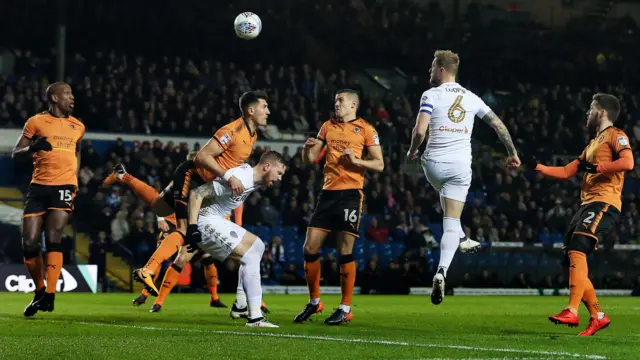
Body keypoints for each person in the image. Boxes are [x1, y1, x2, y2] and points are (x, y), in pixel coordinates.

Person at [129, 91, 268, 302]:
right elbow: (202, 156)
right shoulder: (231, 130)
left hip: (205, 186)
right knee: (183, 228)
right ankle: (147, 270)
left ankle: (127, 181)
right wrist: (227, 176)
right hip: (191, 178)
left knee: (161, 210)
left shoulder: (252, 136)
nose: (268, 111)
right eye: (264, 107)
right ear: (251, 110)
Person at [406, 50, 520, 305]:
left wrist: (413, 151)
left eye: (433, 66)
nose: (429, 71)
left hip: (434, 165)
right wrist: (512, 152)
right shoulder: (471, 97)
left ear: (442, 69)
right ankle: (443, 269)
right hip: (460, 167)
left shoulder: (431, 95)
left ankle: (461, 237)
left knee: (445, 203)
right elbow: (499, 125)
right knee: (450, 218)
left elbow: (420, 130)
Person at [536, 93, 633, 336]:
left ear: (602, 112)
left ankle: (571, 309)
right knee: (571, 259)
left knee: (578, 248)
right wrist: (537, 168)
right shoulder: (592, 143)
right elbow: (569, 170)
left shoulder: (616, 135)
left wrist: (598, 168)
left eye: (591, 108)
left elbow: (628, 162)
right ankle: (598, 315)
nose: (587, 113)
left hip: (604, 202)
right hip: (586, 205)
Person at [295, 89, 384, 325]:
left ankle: (345, 308)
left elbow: (379, 164)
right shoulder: (327, 126)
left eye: (341, 101)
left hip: (351, 194)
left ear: (353, 103)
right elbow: (310, 159)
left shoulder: (366, 129)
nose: (337, 104)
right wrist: (306, 149)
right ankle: (315, 303)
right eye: (335, 100)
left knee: (344, 251)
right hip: (327, 194)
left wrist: (357, 161)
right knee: (309, 247)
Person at [186, 151, 286, 327]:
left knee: (258, 246)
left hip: (216, 219)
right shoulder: (241, 178)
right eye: (279, 173)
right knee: (249, 257)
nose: (279, 179)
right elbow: (197, 193)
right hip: (204, 222)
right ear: (267, 166)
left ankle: (241, 304)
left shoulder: (251, 178)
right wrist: (193, 228)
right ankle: (255, 318)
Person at [12, 82, 85, 316]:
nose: (72, 98)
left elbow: (76, 154)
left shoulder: (78, 126)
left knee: (54, 237)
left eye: (72, 94)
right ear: (54, 98)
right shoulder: (35, 122)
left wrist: (74, 180)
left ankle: (50, 296)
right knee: (30, 243)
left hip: (64, 186)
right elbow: (16, 154)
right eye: (67, 94)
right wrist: (33, 148)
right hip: (38, 187)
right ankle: (40, 292)